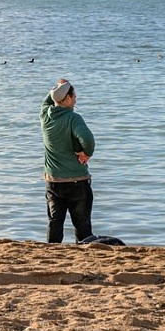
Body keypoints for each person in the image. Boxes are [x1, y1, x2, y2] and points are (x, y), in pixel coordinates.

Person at [40, 78, 96, 243]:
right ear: (68, 98)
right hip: (76, 181)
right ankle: (84, 253)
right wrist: (87, 154)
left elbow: (48, 100)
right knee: (82, 225)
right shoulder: (73, 118)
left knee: (55, 222)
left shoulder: (45, 115)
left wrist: (58, 87)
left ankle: (51, 254)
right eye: (74, 95)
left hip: (53, 181)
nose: (76, 98)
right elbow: (88, 139)